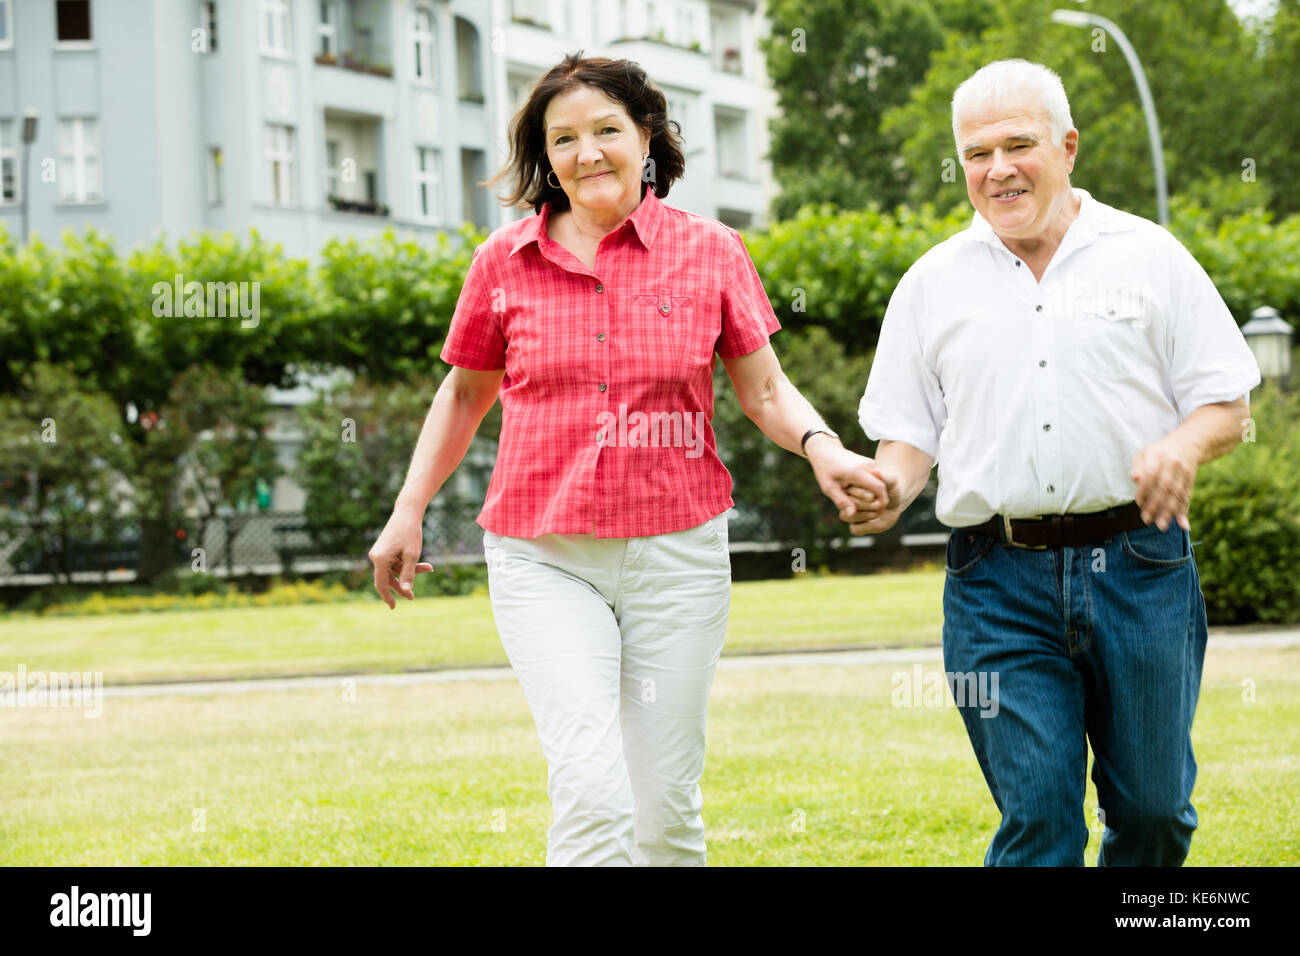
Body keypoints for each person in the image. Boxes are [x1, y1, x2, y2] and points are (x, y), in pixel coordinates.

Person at [368, 53, 888, 867]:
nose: (587, 152)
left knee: (665, 808)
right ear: (547, 156)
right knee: (589, 785)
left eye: (606, 129)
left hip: (676, 555)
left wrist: (822, 447)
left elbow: (765, 391)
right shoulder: (502, 263)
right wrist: (407, 512)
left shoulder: (713, 251)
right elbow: (465, 396)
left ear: (647, 137)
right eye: (563, 137)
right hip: (544, 557)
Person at [844, 59, 1260, 866]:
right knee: (1037, 817)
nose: (997, 169)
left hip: (1141, 567)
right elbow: (908, 439)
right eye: (975, 153)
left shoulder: (1150, 257)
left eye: (1018, 145)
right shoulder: (930, 286)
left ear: (1067, 146)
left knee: (1153, 814)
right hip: (994, 580)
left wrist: (1181, 444)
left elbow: (1227, 402)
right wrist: (888, 487)